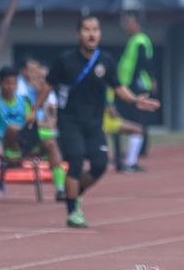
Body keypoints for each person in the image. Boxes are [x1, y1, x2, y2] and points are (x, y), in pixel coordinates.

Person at [32, 16, 160, 228]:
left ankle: (75, 193)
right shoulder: (65, 60)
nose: (91, 34)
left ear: (99, 34)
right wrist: (34, 111)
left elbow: (119, 88)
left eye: (95, 30)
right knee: (75, 161)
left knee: (100, 165)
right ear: (78, 34)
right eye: (86, 29)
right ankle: (73, 212)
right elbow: (48, 86)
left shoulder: (106, 61)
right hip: (70, 121)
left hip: (94, 123)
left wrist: (136, 100)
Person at [0, 66, 66, 201]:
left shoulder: (24, 100)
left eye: (13, 83)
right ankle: (17, 153)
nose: (10, 87)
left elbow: (31, 121)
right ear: (0, 84)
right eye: (7, 83)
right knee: (12, 128)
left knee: (51, 143)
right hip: (7, 145)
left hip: (27, 141)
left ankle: (60, 189)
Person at [117, 12, 157, 162]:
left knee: (139, 117)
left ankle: (141, 148)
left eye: (129, 23)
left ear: (137, 24)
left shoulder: (140, 40)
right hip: (130, 84)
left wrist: (152, 78)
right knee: (134, 118)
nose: (127, 26)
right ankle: (137, 148)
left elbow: (144, 62)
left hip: (138, 83)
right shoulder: (133, 40)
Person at [103, 87, 147, 172]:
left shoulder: (109, 87)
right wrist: (119, 117)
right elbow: (110, 109)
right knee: (138, 130)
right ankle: (130, 163)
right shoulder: (107, 87)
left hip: (104, 120)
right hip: (106, 121)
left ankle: (119, 160)